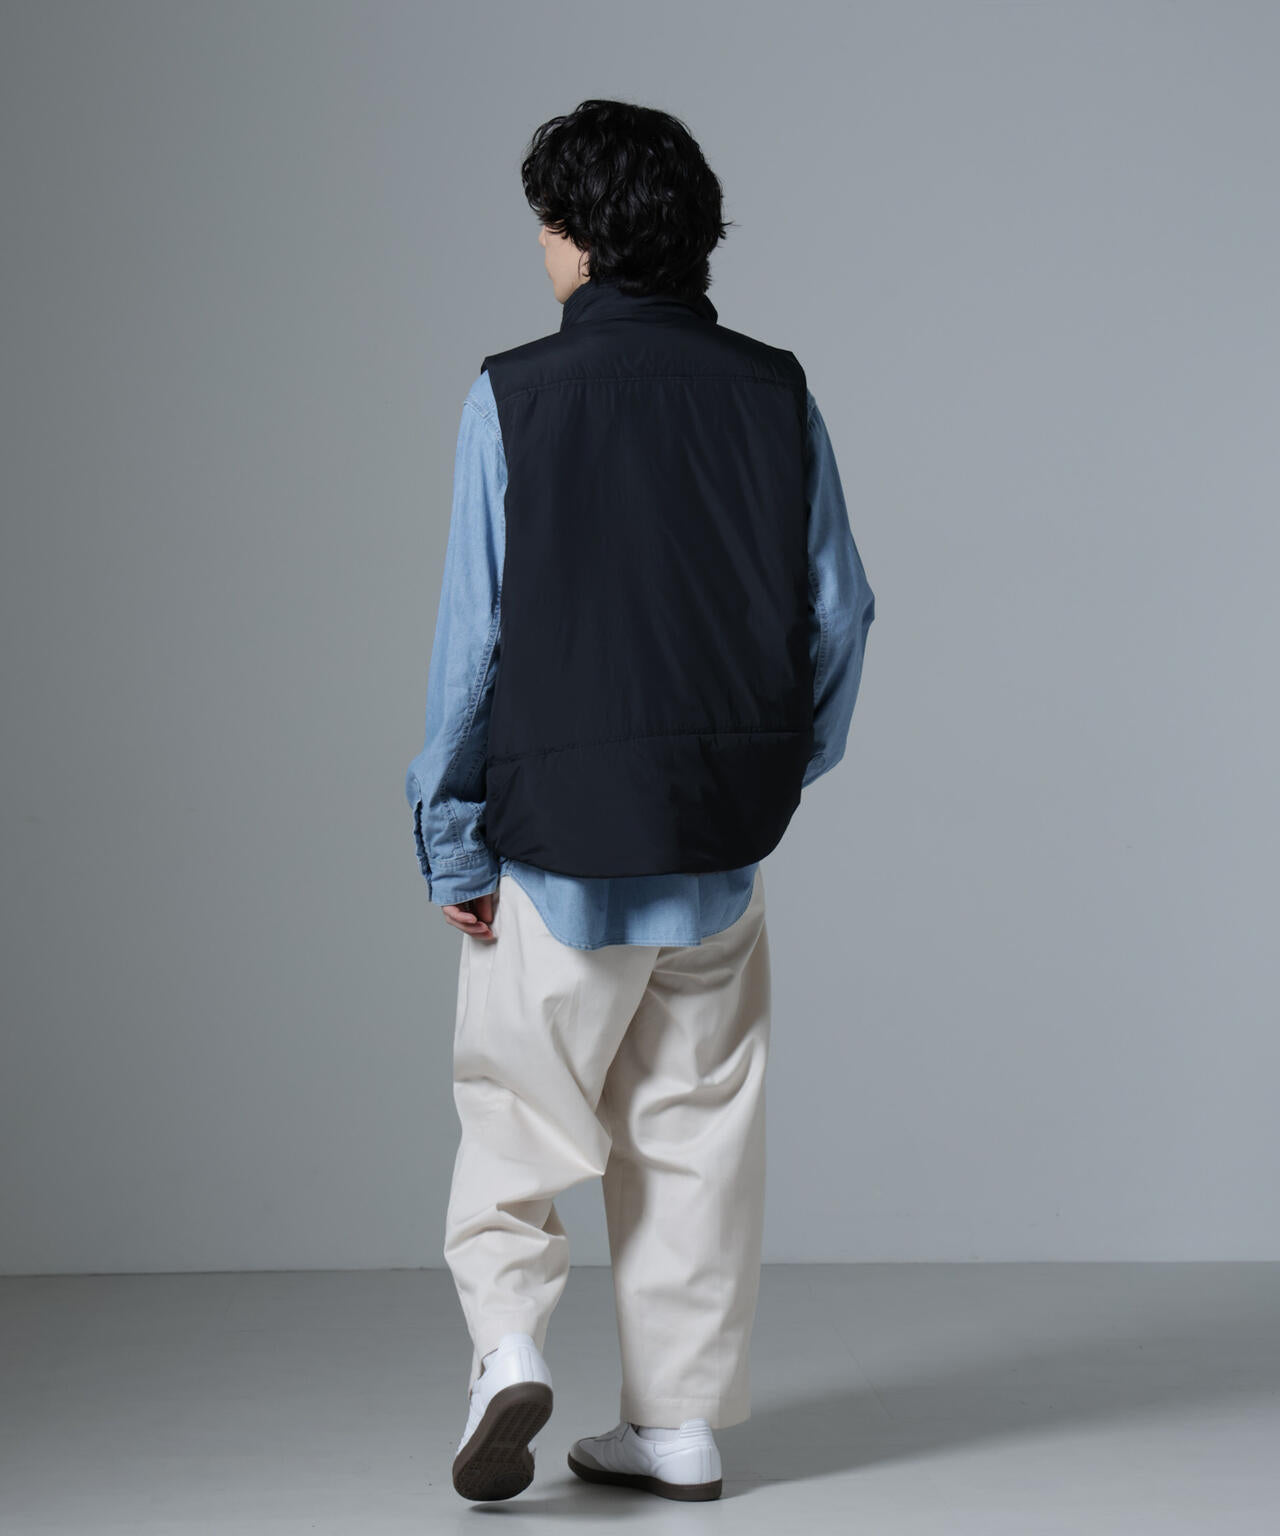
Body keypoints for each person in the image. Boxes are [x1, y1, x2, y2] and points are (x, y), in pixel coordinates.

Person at [405, 98, 875, 1504]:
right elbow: (841, 611)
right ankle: (677, 1426)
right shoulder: (776, 391)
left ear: (577, 237)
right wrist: (773, 765)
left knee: (516, 1116)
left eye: (545, 224)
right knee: (695, 1134)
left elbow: (473, 645)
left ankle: (507, 1351)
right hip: (715, 851)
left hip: (551, 850)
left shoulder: (514, 395)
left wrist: (450, 836)